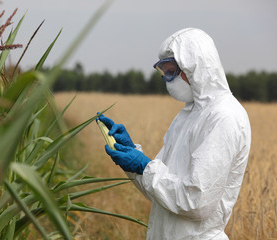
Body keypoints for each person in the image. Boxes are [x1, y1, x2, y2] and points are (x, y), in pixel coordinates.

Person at [97, 28, 251, 240]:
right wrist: (132, 157)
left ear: (194, 67)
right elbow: (161, 191)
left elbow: (196, 202)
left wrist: (144, 166)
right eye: (164, 72)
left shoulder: (224, 117)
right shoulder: (187, 115)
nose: (167, 79)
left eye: (171, 72)